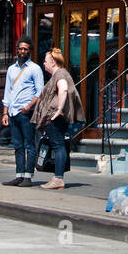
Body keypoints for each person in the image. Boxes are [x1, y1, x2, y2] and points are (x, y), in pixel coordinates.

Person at [32, 47, 83, 190]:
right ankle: (57, 177)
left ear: (53, 62)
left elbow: (63, 89)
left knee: (59, 146)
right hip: (53, 116)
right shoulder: (58, 74)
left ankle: (58, 179)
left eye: (46, 61)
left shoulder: (60, 74)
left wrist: (59, 109)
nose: (44, 64)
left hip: (55, 117)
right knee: (58, 145)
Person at [1, 35, 44, 187]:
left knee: (29, 144)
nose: (22, 51)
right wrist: (5, 112)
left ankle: (28, 176)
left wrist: (29, 106)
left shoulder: (35, 69)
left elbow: (39, 92)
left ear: (29, 51)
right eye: (20, 49)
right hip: (13, 112)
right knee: (17, 145)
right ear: (17, 50)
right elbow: (8, 91)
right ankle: (19, 174)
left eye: (25, 49)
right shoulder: (11, 69)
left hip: (26, 112)